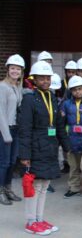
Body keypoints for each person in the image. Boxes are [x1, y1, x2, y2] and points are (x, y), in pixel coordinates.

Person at [18, 61, 70, 236]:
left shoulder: (53, 98)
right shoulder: (29, 99)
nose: (46, 81)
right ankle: (30, 221)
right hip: (35, 147)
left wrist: (66, 145)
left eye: (48, 77)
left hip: (50, 146)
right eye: (42, 78)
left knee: (45, 184)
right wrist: (24, 154)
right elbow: (24, 128)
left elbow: (59, 125)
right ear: (34, 79)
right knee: (35, 185)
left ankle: (39, 218)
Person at [0, 54, 25, 205]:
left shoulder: (16, 86)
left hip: (15, 129)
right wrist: (6, 134)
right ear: (8, 69)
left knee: (11, 162)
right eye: (12, 68)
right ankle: (1, 190)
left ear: (22, 71)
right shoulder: (2, 87)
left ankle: (8, 189)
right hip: (5, 129)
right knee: (4, 162)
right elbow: (1, 113)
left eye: (18, 69)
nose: (15, 71)